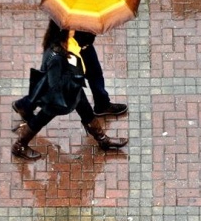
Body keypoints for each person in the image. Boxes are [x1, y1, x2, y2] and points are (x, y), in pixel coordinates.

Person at [11, 20, 128, 160]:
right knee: (41, 118)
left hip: (73, 88)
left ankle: (103, 140)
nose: (75, 29)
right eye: (71, 28)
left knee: (86, 111)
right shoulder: (56, 55)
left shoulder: (67, 43)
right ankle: (19, 146)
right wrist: (71, 70)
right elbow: (55, 82)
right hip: (59, 96)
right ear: (63, 32)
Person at [12, 28, 128, 122]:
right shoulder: (71, 19)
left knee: (94, 75)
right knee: (60, 86)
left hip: (82, 46)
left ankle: (101, 105)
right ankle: (26, 105)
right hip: (72, 48)